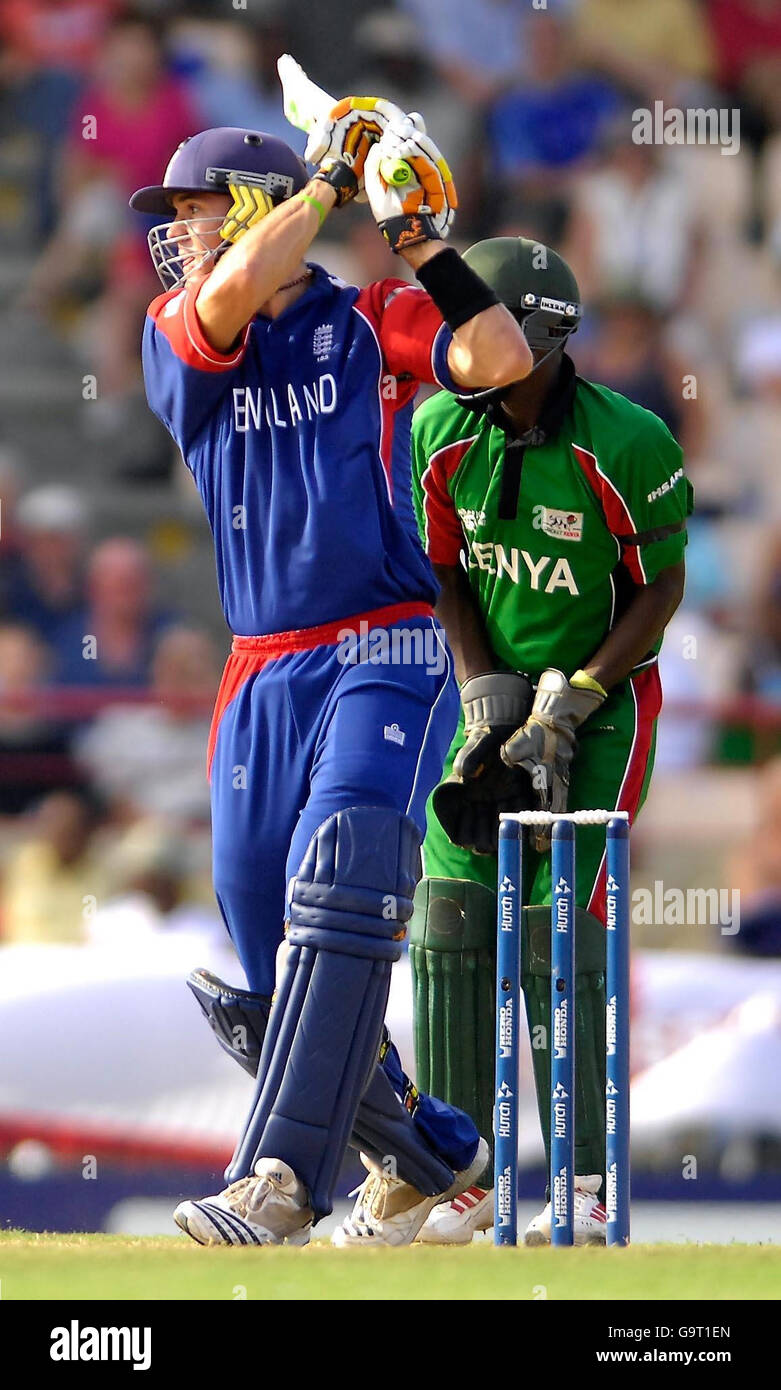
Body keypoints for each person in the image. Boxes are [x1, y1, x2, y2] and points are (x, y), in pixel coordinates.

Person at [129, 107, 533, 1247]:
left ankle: (279, 1181)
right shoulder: (179, 328)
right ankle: (438, 1158)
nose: (181, 235)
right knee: (276, 975)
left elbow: (499, 359)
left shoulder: (368, 322)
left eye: (199, 209)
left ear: (252, 210)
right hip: (260, 668)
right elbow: (222, 294)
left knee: (348, 872)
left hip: (387, 642)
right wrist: (329, 182)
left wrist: (416, 238)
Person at [408, 236, 693, 1244]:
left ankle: (583, 1191)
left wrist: (573, 696)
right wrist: (484, 685)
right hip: (493, 695)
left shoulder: (627, 443)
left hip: (605, 703)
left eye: (486, 323)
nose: (466, 343)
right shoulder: (438, 426)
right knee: (446, 906)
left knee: (554, 929)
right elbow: (443, 570)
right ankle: (454, 1179)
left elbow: (660, 588)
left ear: (539, 337)